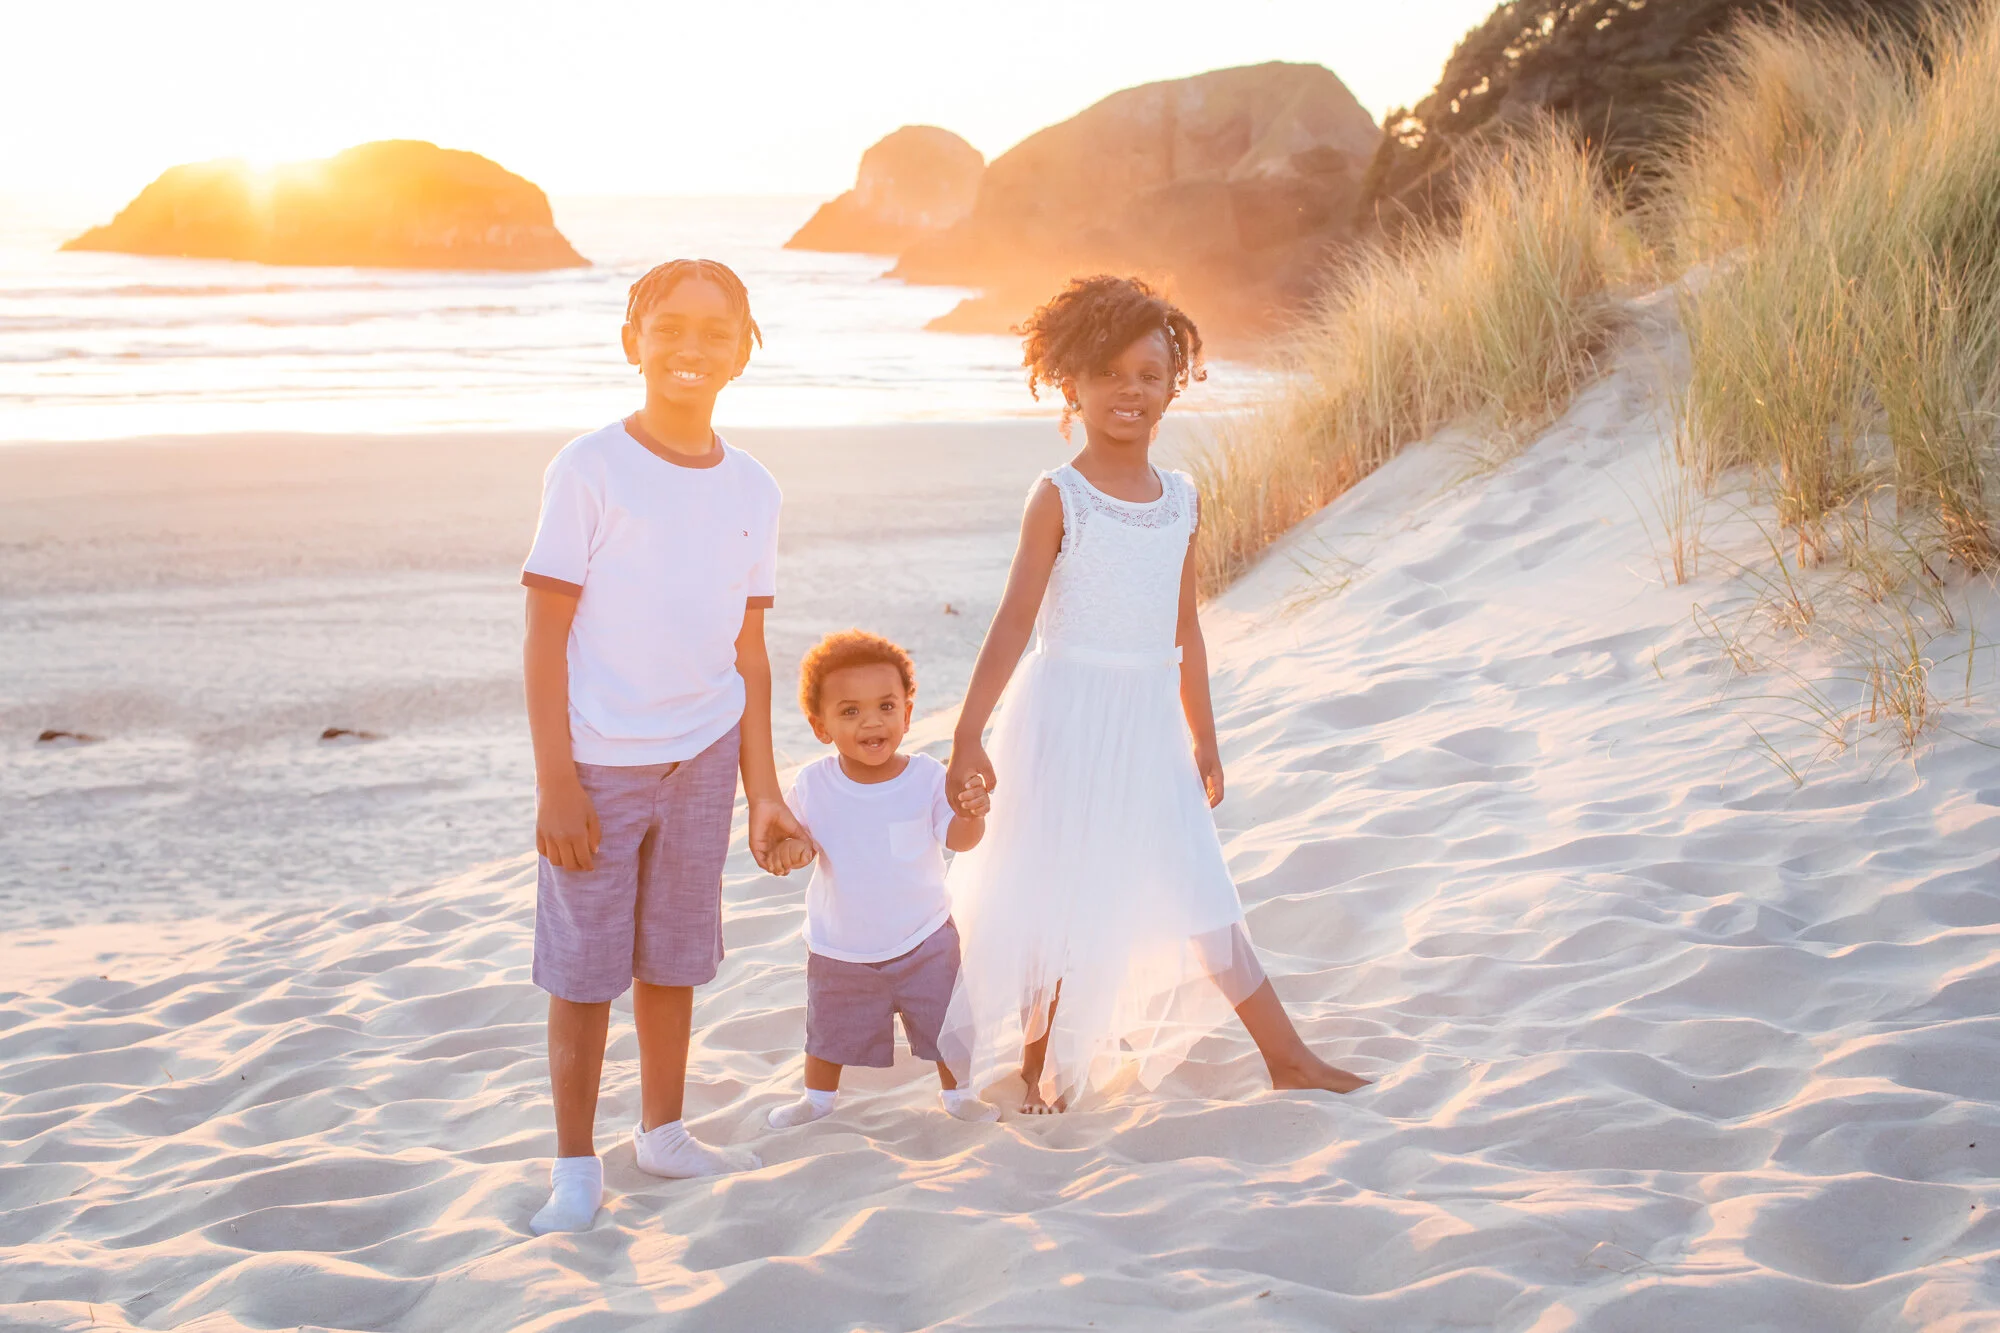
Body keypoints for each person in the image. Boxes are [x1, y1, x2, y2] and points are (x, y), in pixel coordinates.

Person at [940, 275, 1373, 1114]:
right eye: (1110, 373)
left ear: (1176, 383)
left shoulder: (1181, 499)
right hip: (1064, 714)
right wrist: (967, 733)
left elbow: (1185, 633)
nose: (1130, 391)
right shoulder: (1059, 496)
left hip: (1147, 723)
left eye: (1150, 374)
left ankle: (1286, 1055)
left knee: (1200, 880)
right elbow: (1012, 621)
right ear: (1072, 381)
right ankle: (1036, 1065)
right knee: (1059, 882)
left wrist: (1203, 736)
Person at [519, 259, 807, 1234]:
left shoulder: (755, 488)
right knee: (583, 968)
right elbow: (544, 634)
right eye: (670, 327)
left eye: (715, 333)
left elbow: (751, 650)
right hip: (599, 761)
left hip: (705, 755)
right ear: (632, 337)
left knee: (672, 957)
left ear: (744, 350)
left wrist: (762, 790)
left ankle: (663, 1131)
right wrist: (556, 779)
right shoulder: (589, 467)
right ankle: (572, 1162)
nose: (691, 348)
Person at [763, 630, 999, 1128]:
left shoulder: (928, 777)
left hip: (924, 936)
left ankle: (960, 1096)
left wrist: (972, 814)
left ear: (907, 713)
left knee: (947, 1026)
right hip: (841, 945)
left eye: (887, 706)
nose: (872, 721)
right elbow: (794, 840)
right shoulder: (813, 783)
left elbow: (959, 839)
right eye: (849, 712)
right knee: (828, 1030)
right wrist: (791, 850)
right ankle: (817, 1101)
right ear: (819, 725)